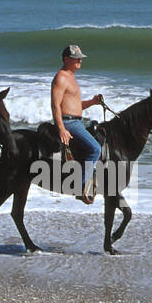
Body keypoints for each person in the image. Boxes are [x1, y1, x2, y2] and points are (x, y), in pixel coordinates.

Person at [51, 44, 104, 203]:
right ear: (66, 59)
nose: (80, 60)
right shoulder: (61, 77)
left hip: (77, 121)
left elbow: (76, 105)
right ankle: (80, 188)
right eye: (76, 58)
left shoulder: (71, 77)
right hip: (69, 122)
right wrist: (61, 128)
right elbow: (55, 104)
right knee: (95, 149)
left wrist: (93, 102)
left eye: (80, 58)